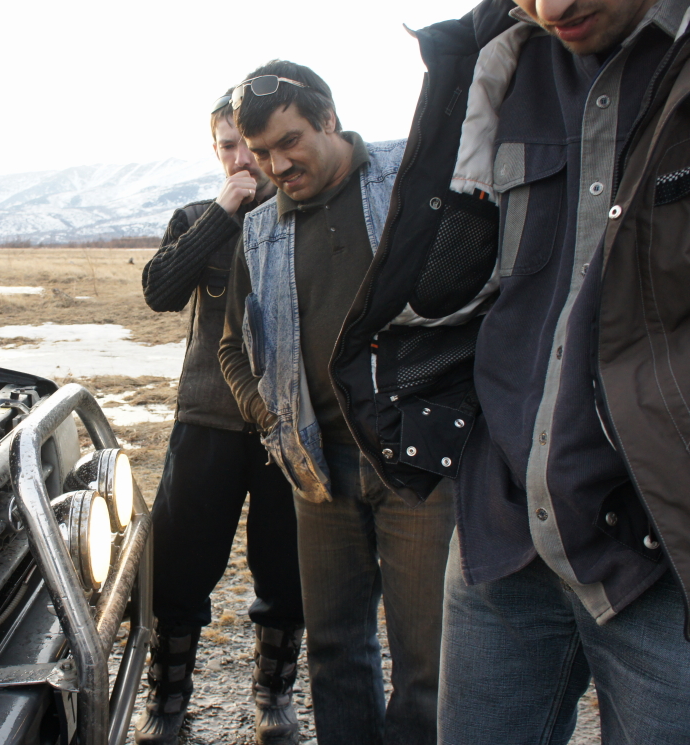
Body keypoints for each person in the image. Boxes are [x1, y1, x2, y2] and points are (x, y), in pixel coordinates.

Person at [328, 0, 690, 742]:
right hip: (499, 530)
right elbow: (471, 291)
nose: (552, 7)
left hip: (662, 556)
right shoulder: (493, 62)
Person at [219, 60, 454, 745]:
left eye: (289, 142)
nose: (276, 165)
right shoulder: (259, 230)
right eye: (261, 152)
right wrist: (272, 420)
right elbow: (233, 347)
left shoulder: (413, 176)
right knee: (334, 649)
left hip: (418, 464)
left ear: (329, 119)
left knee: (428, 660)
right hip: (318, 470)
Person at [136, 90, 305, 745]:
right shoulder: (195, 218)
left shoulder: (305, 208)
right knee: (178, 565)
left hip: (287, 425)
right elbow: (160, 292)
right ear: (217, 151)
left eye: (248, 144)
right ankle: (167, 700)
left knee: (286, 569)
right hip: (206, 418)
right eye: (227, 146)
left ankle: (274, 695)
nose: (241, 158)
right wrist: (222, 213)